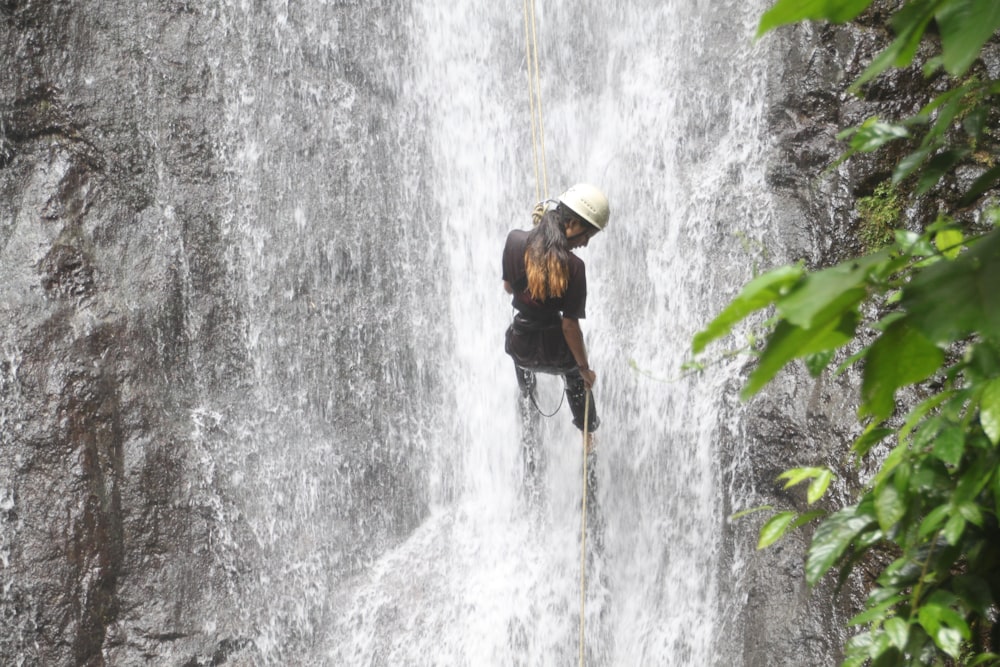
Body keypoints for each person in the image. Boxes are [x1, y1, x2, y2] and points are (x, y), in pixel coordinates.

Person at [501, 183, 609, 434]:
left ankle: (527, 396)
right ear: (571, 224)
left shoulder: (514, 240)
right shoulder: (574, 267)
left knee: (519, 354)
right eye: (587, 235)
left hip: (521, 348)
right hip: (556, 354)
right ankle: (589, 433)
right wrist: (585, 370)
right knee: (576, 376)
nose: (585, 243)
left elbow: (508, 287)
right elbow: (570, 327)